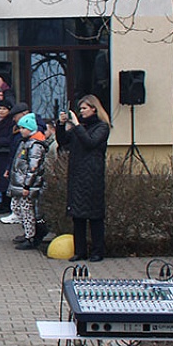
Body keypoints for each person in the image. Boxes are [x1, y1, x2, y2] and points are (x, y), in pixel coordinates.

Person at [56, 95, 112, 262]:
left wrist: (77, 125)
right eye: (80, 109)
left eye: (84, 108)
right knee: (77, 215)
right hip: (77, 174)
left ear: (94, 108)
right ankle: (80, 251)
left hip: (93, 176)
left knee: (94, 216)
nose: (82, 112)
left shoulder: (102, 127)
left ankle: (97, 251)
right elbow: (63, 140)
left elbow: (90, 142)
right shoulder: (79, 128)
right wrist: (61, 124)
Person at [7, 113, 49, 249]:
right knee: (17, 208)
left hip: (27, 185)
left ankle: (31, 237)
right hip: (19, 183)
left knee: (27, 211)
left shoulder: (35, 145)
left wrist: (27, 185)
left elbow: (33, 168)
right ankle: (27, 232)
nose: (21, 131)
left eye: (23, 128)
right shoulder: (25, 143)